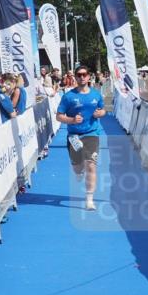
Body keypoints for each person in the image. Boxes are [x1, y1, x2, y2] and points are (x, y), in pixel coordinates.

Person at [56, 65, 107, 211]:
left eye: (84, 74)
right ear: (75, 77)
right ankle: (79, 171)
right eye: (79, 75)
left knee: (91, 164)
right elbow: (59, 116)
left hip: (92, 133)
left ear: (89, 76)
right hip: (74, 136)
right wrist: (72, 120)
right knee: (78, 167)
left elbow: (103, 110)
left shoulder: (96, 95)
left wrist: (100, 114)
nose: (82, 77)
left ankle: (89, 199)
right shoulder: (68, 96)